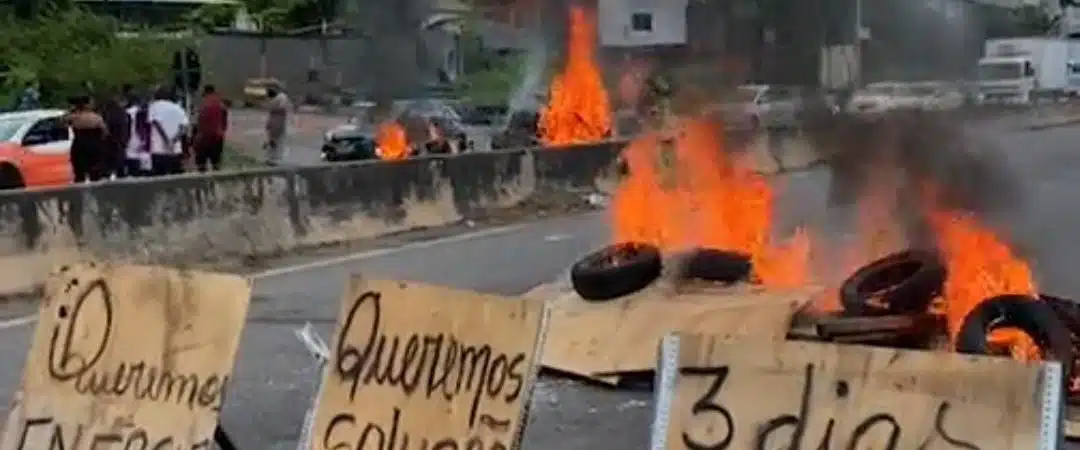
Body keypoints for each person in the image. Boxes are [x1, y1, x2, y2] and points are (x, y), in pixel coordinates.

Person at [64, 95, 108, 183]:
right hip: (94, 146)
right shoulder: (96, 117)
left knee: (79, 174)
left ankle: (80, 193)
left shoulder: (73, 117)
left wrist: (72, 111)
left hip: (79, 145)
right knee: (95, 174)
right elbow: (105, 132)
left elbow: (62, 123)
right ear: (87, 104)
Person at [147, 86, 189, 176]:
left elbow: (156, 123)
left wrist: (166, 140)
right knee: (175, 178)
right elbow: (184, 128)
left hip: (158, 150)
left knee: (159, 179)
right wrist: (173, 140)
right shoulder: (178, 108)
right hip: (175, 150)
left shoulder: (154, 106)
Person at [98, 89, 132, 178]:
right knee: (120, 169)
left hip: (108, 144)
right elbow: (127, 130)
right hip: (119, 143)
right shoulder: (124, 114)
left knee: (106, 171)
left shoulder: (105, 114)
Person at [194, 84, 228, 172]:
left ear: (205, 92)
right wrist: (222, 131)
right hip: (217, 138)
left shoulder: (201, 104)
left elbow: (196, 122)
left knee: (201, 166)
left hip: (203, 139)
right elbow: (224, 122)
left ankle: (203, 184)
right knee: (216, 164)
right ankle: (214, 183)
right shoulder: (221, 104)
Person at [124, 97, 153, 177]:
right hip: (144, 149)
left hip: (130, 148)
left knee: (133, 173)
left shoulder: (127, 112)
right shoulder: (145, 112)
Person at [263, 86, 290, 166]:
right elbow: (282, 108)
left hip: (274, 123)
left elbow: (273, 112)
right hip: (277, 124)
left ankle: (271, 158)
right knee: (277, 141)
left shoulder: (273, 104)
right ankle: (273, 159)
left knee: (273, 140)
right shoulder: (281, 99)